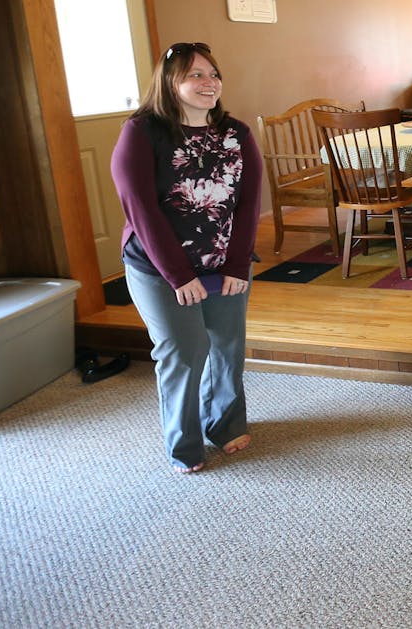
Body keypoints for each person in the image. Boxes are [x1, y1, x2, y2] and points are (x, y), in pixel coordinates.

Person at [111, 42, 263, 474]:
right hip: (159, 267)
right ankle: (185, 443)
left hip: (224, 262)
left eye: (213, 74)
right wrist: (179, 276)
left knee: (227, 346)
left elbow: (249, 203)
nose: (208, 82)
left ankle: (226, 424)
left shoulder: (237, 134)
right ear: (169, 81)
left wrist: (238, 264)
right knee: (183, 350)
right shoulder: (141, 133)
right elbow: (141, 210)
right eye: (195, 74)